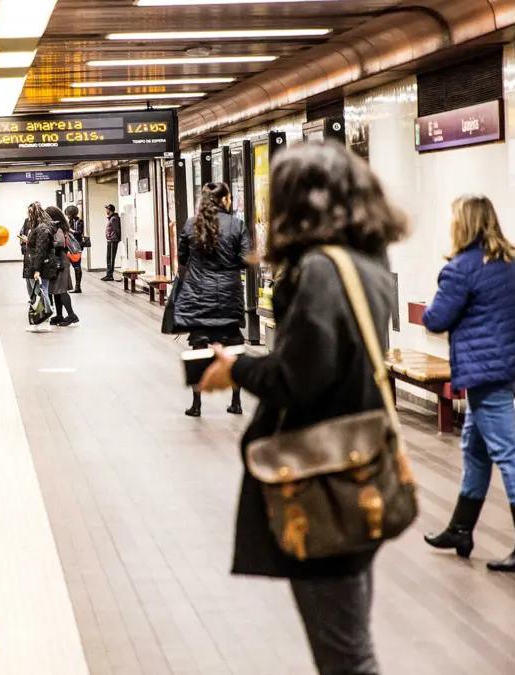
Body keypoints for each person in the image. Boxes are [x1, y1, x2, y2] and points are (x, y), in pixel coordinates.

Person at [198, 142, 408, 675]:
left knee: (344, 654)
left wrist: (238, 367)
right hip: (357, 463)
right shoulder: (371, 263)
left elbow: (299, 377)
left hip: (321, 479)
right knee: (350, 640)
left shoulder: (321, 271)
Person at [422, 195, 515, 574]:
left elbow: (435, 319)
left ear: (462, 224)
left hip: (486, 376)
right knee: (475, 448)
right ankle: (461, 530)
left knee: (510, 455)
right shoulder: (509, 261)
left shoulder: (461, 268)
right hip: (514, 370)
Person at [172, 182, 252, 417]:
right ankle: (236, 402)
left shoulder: (190, 224)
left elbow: (182, 258)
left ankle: (196, 405)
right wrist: (229, 267)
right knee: (234, 347)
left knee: (198, 348)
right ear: (225, 199)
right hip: (229, 294)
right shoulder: (237, 225)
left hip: (198, 295)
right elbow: (246, 259)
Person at [45, 206, 79, 326]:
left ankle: (71, 315)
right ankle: (59, 315)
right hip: (58, 260)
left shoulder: (58, 228)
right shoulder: (58, 227)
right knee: (56, 290)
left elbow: (59, 243)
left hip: (61, 261)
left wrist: (47, 243)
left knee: (61, 290)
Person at [26, 205, 57, 333]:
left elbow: (41, 250)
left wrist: (37, 269)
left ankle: (45, 319)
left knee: (41, 292)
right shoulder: (38, 228)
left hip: (40, 266)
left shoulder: (42, 229)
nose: (28, 216)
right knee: (36, 293)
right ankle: (39, 319)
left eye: (30, 213)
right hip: (34, 264)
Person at [65, 205, 85, 293]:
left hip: (76, 246)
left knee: (77, 266)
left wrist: (69, 230)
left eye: (68, 214)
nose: (67, 216)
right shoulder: (69, 222)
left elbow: (79, 233)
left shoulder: (79, 222)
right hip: (69, 246)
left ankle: (78, 286)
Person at [20, 203, 38, 298]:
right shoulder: (27, 221)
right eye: (28, 211)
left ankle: (38, 300)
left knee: (34, 278)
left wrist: (29, 240)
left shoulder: (40, 224)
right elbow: (22, 232)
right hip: (28, 253)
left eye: (31, 211)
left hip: (36, 254)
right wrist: (23, 245)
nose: (29, 213)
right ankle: (32, 299)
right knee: (28, 277)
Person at [100, 204, 121, 281]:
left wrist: (116, 238)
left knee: (111, 258)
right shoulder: (111, 218)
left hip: (113, 240)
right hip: (110, 240)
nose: (106, 211)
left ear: (110, 210)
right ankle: (108, 274)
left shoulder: (114, 219)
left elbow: (117, 230)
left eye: (107, 210)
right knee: (108, 257)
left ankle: (110, 275)